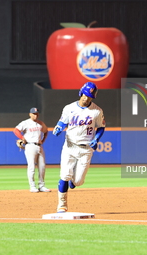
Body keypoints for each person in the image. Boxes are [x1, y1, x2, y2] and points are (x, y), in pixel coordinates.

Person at [53, 82, 106, 213]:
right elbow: (62, 121)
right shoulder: (69, 108)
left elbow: (101, 127)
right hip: (70, 145)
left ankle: (73, 181)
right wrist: (58, 127)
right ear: (81, 93)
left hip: (86, 148)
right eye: (85, 94)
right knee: (65, 175)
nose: (86, 98)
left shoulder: (97, 111)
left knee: (78, 181)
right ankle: (62, 204)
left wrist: (96, 139)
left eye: (90, 96)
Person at [13, 107, 51, 193]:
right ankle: (32, 186)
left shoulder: (40, 123)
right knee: (32, 167)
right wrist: (22, 137)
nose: (35, 115)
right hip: (30, 146)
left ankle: (41, 186)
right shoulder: (25, 123)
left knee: (42, 167)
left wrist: (43, 140)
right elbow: (16, 130)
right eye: (34, 114)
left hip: (39, 146)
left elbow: (46, 131)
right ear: (30, 114)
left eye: (37, 114)